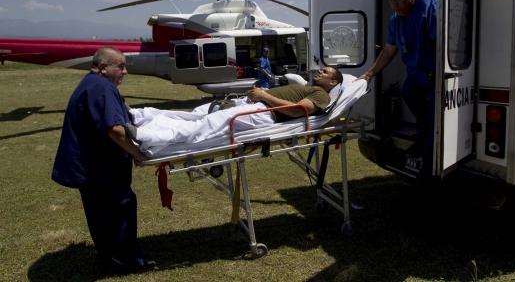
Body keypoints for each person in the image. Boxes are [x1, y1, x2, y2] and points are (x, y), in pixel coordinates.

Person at [51, 46, 155, 272]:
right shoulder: (102, 87)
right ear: (103, 67)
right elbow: (115, 130)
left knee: (102, 215)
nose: (125, 71)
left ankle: (111, 258)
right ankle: (125, 262)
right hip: (99, 169)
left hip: (93, 167)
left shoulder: (91, 83)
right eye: (121, 66)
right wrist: (138, 153)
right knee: (118, 209)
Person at [127, 67, 343, 152]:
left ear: (333, 83)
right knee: (196, 115)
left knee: (205, 125)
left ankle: (148, 137)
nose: (320, 72)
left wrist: (264, 96)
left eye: (325, 73)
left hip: (264, 115)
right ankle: (140, 116)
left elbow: (299, 111)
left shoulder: (321, 95)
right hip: (252, 104)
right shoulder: (307, 87)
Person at [356, 0, 437, 165]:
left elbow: (443, 43)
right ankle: (426, 134)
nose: (394, 4)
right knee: (408, 92)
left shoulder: (429, 6)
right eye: (390, 0)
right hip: (417, 73)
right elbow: (388, 51)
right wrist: (367, 75)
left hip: (436, 73)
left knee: (435, 116)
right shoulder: (396, 20)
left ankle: (428, 162)